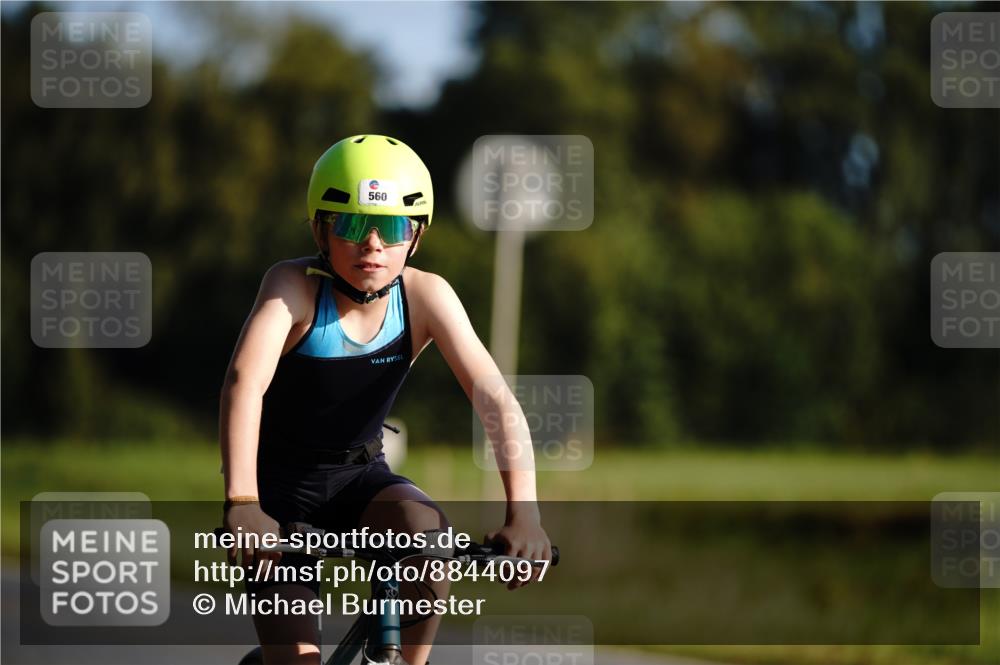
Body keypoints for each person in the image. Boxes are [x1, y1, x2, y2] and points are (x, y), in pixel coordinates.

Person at [219, 134, 551, 665]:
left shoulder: (424, 295)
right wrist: (243, 504)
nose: (372, 243)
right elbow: (244, 383)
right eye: (352, 225)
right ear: (320, 230)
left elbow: (495, 400)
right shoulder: (292, 286)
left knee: (428, 534)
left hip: (361, 477)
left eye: (392, 227)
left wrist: (525, 514)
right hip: (278, 491)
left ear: (415, 237)